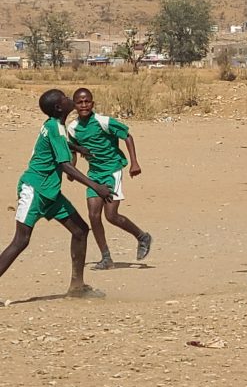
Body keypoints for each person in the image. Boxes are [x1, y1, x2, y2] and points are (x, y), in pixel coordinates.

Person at [0, 89, 113, 297]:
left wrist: (77, 148)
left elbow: (59, 143)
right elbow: (65, 165)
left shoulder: (54, 125)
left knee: (80, 230)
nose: (71, 100)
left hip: (50, 192)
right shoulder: (56, 127)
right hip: (34, 190)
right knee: (21, 240)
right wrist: (96, 186)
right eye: (66, 98)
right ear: (60, 107)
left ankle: (77, 287)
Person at [68, 88, 152, 270]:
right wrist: (71, 168)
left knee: (111, 215)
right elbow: (74, 150)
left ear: (92, 103)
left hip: (112, 170)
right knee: (93, 215)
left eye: (87, 101)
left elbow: (127, 136)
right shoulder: (72, 128)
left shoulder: (103, 122)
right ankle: (106, 257)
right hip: (94, 175)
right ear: (74, 105)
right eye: (80, 102)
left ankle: (142, 236)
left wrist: (134, 163)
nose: (84, 105)